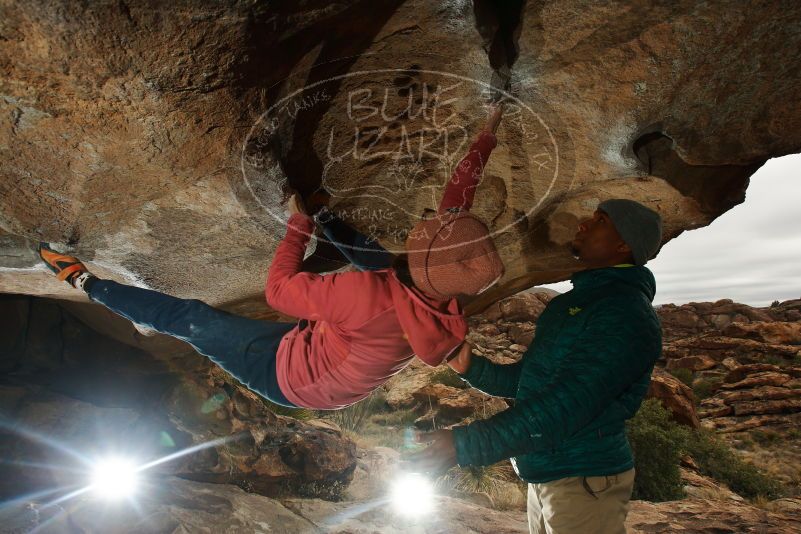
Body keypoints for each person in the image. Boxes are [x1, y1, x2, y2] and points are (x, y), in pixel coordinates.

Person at [38, 105, 506, 411]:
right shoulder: (443, 290)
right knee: (377, 261)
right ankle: (328, 218)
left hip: (289, 379)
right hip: (332, 363)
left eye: (426, 229)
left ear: (423, 255)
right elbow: (458, 197)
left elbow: (278, 290)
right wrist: (486, 136)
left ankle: (84, 283)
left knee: (191, 319)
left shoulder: (369, 296)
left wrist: (297, 223)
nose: (427, 219)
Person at [408, 199, 664, 534]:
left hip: (585, 481)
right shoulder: (569, 305)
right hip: (543, 472)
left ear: (623, 244)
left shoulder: (627, 314)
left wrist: (465, 444)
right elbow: (527, 382)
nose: (584, 223)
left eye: (600, 220)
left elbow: (564, 407)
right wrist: (472, 367)